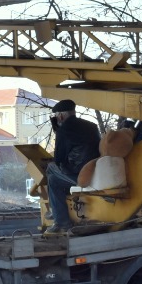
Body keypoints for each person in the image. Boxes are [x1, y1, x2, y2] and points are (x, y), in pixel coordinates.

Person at [45, 98, 100, 233]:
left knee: (51, 174)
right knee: (54, 175)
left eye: (57, 116)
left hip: (79, 176)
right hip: (95, 171)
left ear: (61, 116)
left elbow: (58, 159)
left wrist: (58, 132)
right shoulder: (92, 126)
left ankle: (61, 220)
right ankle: (58, 211)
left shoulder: (63, 131)